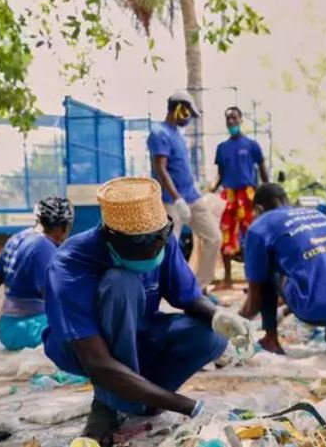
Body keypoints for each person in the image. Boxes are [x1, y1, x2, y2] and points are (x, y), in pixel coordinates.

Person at [42, 177, 254, 446]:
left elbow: (187, 297)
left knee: (209, 335)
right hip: (82, 348)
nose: (156, 250)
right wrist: (190, 407)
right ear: (111, 238)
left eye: (160, 241)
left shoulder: (160, 236)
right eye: (146, 247)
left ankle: (143, 399)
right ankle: (109, 404)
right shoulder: (70, 264)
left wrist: (218, 316)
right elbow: (95, 361)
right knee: (121, 283)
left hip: (139, 334)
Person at [238, 183, 326, 354]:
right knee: (325, 262)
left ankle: (270, 338)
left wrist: (232, 322)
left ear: (258, 208)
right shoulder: (317, 215)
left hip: (316, 309)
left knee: (265, 270)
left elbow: (254, 303)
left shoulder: (260, 226)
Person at [148, 91, 222, 292]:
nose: (189, 118)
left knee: (214, 237)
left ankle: (197, 289)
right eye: (188, 113)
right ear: (179, 108)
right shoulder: (159, 133)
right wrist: (177, 199)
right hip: (172, 201)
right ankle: (161, 291)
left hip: (192, 197)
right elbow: (160, 169)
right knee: (167, 247)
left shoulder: (178, 136)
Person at [0, 197, 73, 351]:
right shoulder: (44, 246)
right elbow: (53, 297)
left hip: (7, 329)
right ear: (64, 227)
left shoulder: (16, 239)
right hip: (31, 329)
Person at [210, 106, 269, 288]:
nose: (231, 122)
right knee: (225, 235)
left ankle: (255, 279)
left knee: (252, 235)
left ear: (241, 120)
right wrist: (211, 190)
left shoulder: (252, 145)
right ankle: (227, 279)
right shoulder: (222, 148)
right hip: (228, 194)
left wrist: (267, 190)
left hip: (248, 194)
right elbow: (220, 174)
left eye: (234, 118)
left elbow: (262, 168)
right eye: (228, 119)